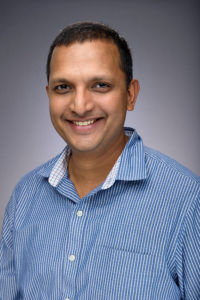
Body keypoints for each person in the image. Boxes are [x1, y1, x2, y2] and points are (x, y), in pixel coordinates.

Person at [0, 21, 199, 300]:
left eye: (100, 85)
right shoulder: (25, 197)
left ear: (130, 94)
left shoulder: (188, 201)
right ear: (48, 96)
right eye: (63, 87)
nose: (80, 106)